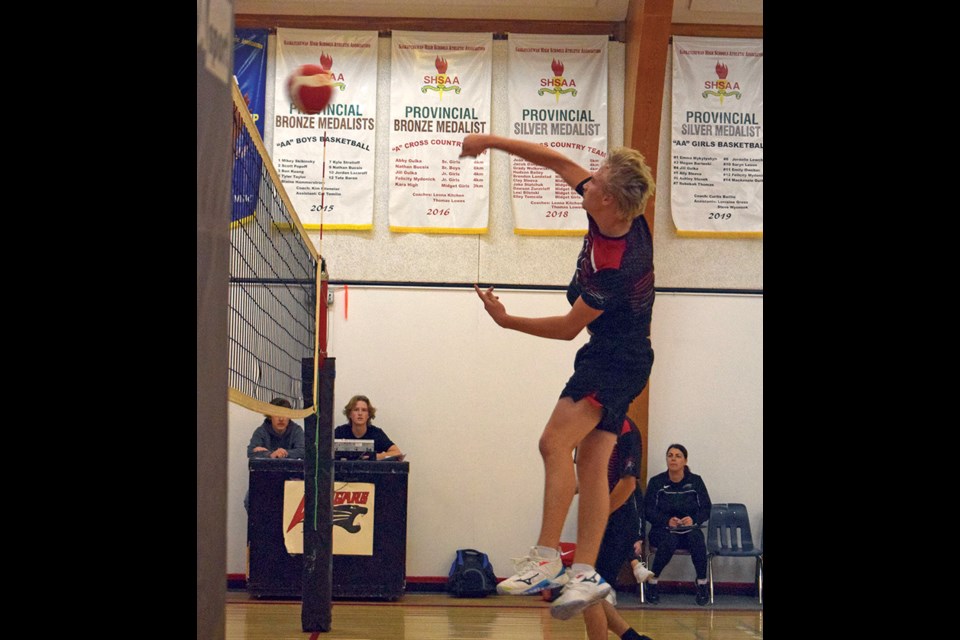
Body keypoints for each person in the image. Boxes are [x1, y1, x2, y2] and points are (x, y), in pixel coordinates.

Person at [460, 133, 656, 621]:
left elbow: (569, 329)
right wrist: (489, 141)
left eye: (594, 185)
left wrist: (508, 321)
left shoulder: (617, 263)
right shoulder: (609, 209)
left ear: (608, 199)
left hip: (615, 358)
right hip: (620, 355)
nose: (584, 185)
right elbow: (554, 160)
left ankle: (547, 555)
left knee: (552, 442)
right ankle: (586, 571)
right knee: (591, 462)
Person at [581, 416, 654, 640]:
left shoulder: (626, 429)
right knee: (588, 589)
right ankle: (633, 638)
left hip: (620, 518)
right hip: (598, 517)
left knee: (587, 588)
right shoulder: (586, 428)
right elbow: (584, 476)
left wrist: (599, 516)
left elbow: (628, 484)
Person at [643, 443, 712, 606]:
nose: (673, 459)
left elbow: (706, 508)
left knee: (697, 539)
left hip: (688, 531)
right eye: (670, 455)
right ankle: (652, 582)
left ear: (685, 461)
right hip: (663, 530)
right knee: (670, 540)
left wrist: (693, 520)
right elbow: (647, 510)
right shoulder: (656, 482)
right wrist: (666, 520)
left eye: (678, 456)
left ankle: (702, 583)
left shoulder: (695, 481)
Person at [244, 397, 306, 512]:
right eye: (277, 414)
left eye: (285, 414)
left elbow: (303, 451)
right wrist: (271, 455)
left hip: (292, 478)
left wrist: (284, 453)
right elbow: (251, 453)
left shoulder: (297, 431)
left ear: (290, 416)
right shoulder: (261, 431)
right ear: (269, 416)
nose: (281, 418)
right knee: (249, 500)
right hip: (266, 479)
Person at [334, 394, 404, 461]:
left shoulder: (376, 433)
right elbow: (324, 451)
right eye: (356, 409)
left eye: (364, 410)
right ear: (349, 414)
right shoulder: (340, 432)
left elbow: (397, 453)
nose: (360, 413)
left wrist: (376, 456)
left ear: (368, 415)